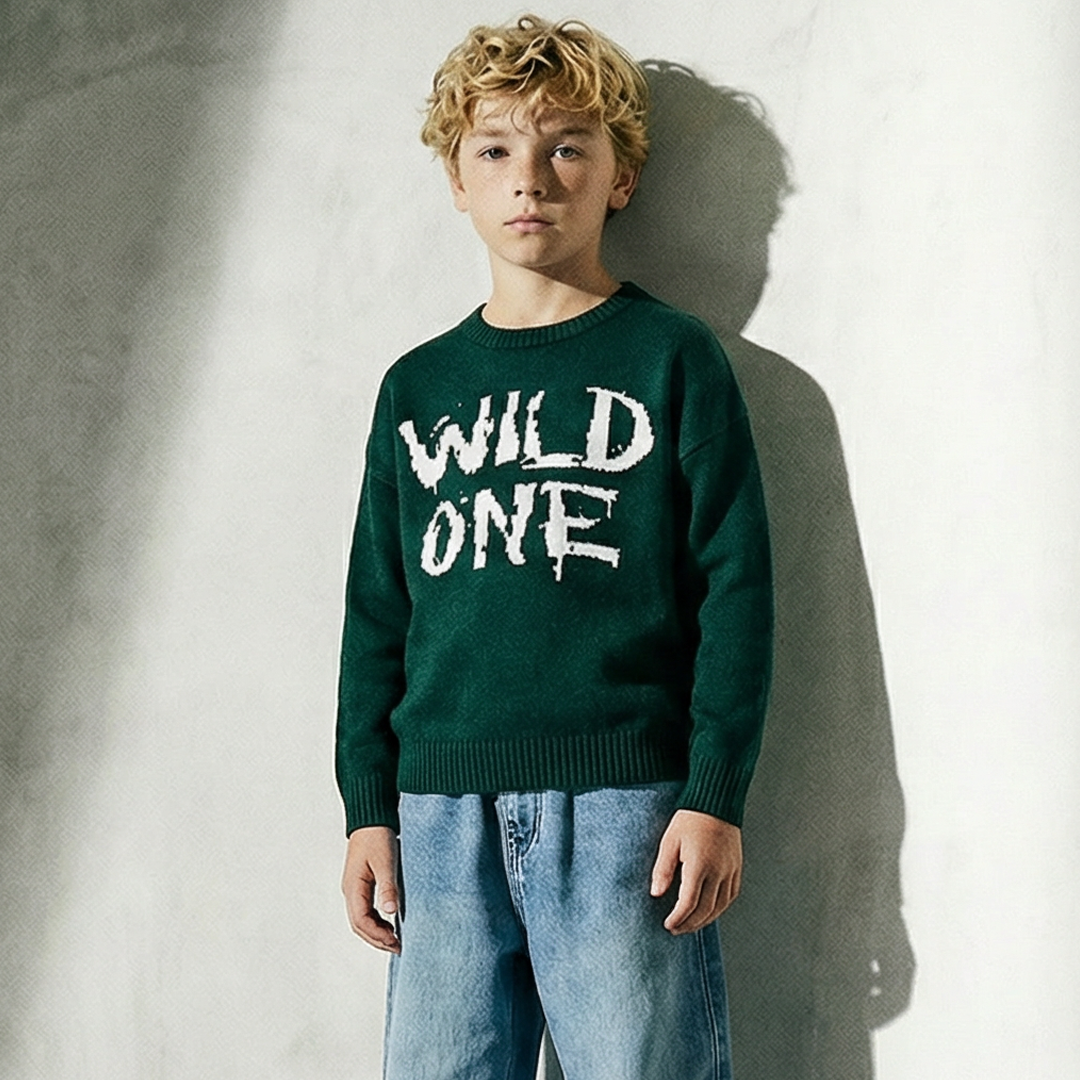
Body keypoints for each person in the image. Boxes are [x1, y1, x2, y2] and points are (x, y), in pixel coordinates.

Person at [335, 15, 773, 1080]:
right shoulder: (417, 388)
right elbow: (378, 611)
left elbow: (736, 590)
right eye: (495, 150)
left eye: (567, 147)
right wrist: (367, 807)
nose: (529, 177)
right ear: (458, 180)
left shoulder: (671, 359)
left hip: (627, 809)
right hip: (438, 817)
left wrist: (714, 792)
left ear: (622, 178)